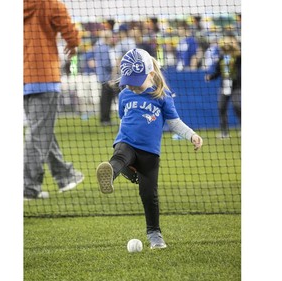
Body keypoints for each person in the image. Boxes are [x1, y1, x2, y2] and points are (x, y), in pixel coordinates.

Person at [96, 48, 203, 249]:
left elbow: (174, 122)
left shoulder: (162, 96)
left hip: (150, 153)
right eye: (129, 82)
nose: (132, 87)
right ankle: (110, 175)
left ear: (151, 74)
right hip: (126, 141)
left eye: (136, 82)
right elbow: (123, 119)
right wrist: (122, 137)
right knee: (120, 155)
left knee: (149, 195)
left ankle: (155, 234)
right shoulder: (125, 94)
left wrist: (192, 135)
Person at [24, 0, 84, 199]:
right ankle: (28, 187)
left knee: (41, 130)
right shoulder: (50, 3)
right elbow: (70, 32)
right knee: (37, 133)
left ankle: (64, 176)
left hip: (23, 78)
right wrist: (73, 45)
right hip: (44, 77)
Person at [205, 36, 241, 138]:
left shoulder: (238, 56)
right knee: (221, 108)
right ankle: (224, 132)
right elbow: (218, 71)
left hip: (236, 86)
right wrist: (211, 77)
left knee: (237, 106)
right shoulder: (222, 57)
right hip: (224, 85)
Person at [93, 29, 119, 125]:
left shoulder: (98, 46)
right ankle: (105, 119)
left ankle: (105, 119)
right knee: (106, 98)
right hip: (107, 77)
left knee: (105, 98)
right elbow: (106, 63)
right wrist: (115, 67)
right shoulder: (104, 48)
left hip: (102, 76)